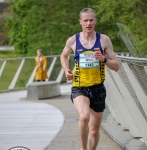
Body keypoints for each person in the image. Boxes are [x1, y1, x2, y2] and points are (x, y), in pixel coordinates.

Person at [60, 8, 119, 150]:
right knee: (84, 117)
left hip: (98, 88)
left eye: (91, 20)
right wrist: (66, 70)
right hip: (79, 87)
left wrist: (103, 59)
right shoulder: (73, 40)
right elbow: (64, 56)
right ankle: (83, 149)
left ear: (95, 21)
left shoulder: (104, 40)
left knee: (94, 131)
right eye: (85, 20)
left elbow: (116, 66)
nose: (88, 23)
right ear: (80, 22)